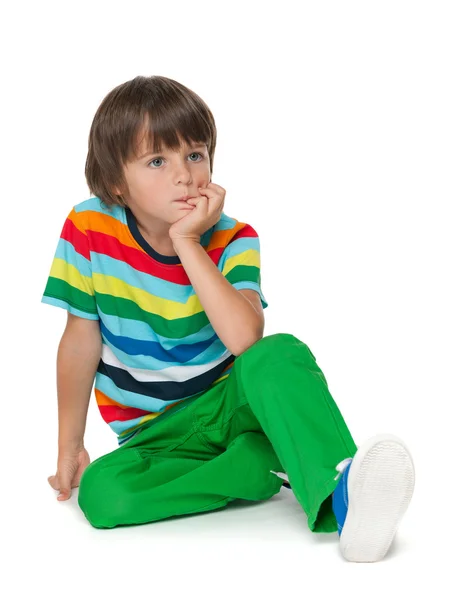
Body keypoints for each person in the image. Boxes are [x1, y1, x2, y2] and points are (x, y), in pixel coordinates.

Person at [42, 75, 415, 563]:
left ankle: (341, 494)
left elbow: (244, 338)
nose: (184, 175)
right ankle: (259, 467)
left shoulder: (236, 237)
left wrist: (187, 243)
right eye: (158, 161)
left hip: (230, 403)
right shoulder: (88, 228)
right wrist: (69, 445)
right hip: (154, 437)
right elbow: (79, 341)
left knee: (278, 353)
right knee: (102, 495)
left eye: (195, 155)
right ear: (116, 182)